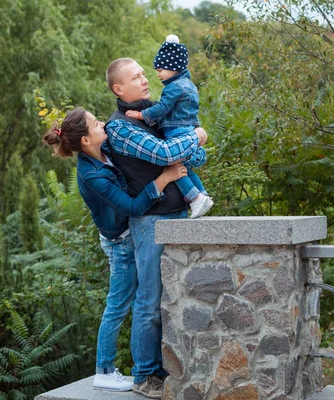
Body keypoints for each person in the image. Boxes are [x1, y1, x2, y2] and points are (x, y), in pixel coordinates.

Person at [42, 107, 189, 395]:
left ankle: (138, 367)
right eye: (96, 123)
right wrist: (165, 177)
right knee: (119, 304)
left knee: (137, 302)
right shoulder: (90, 174)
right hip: (119, 241)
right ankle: (104, 371)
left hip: (129, 232)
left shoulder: (106, 148)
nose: (102, 123)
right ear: (86, 140)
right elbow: (133, 207)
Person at [104, 57, 208, 398]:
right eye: (136, 77)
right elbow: (166, 154)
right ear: (119, 88)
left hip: (180, 216)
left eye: (144, 74)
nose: (145, 79)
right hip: (151, 222)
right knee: (149, 302)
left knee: (177, 300)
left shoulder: (156, 113)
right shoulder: (119, 127)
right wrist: (195, 135)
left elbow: (197, 158)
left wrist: (190, 141)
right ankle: (145, 375)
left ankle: (170, 371)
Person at [125, 34, 213, 219]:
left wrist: (142, 115)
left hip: (176, 131)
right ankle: (203, 195)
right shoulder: (189, 85)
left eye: (160, 69)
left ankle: (195, 198)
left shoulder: (173, 87)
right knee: (186, 169)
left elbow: (163, 108)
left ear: (173, 67)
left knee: (174, 164)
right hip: (189, 129)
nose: (157, 74)